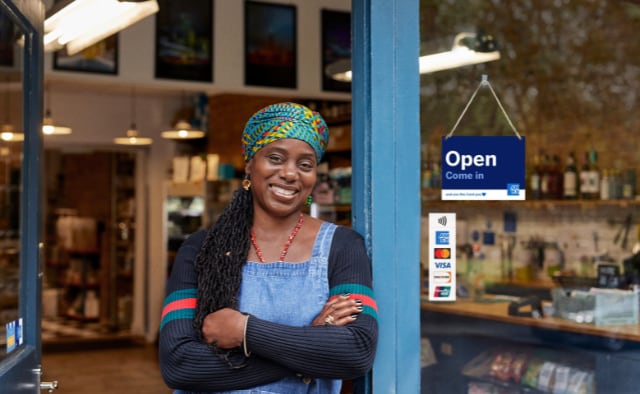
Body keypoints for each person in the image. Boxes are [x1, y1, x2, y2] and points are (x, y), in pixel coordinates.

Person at [158, 102, 378, 393]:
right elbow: (180, 364)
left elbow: (357, 351)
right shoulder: (199, 249)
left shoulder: (343, 247)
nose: (290, 173)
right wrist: (312, 345)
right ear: (250, 163)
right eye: (275, 158)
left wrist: (244, 331)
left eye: (305, 164)